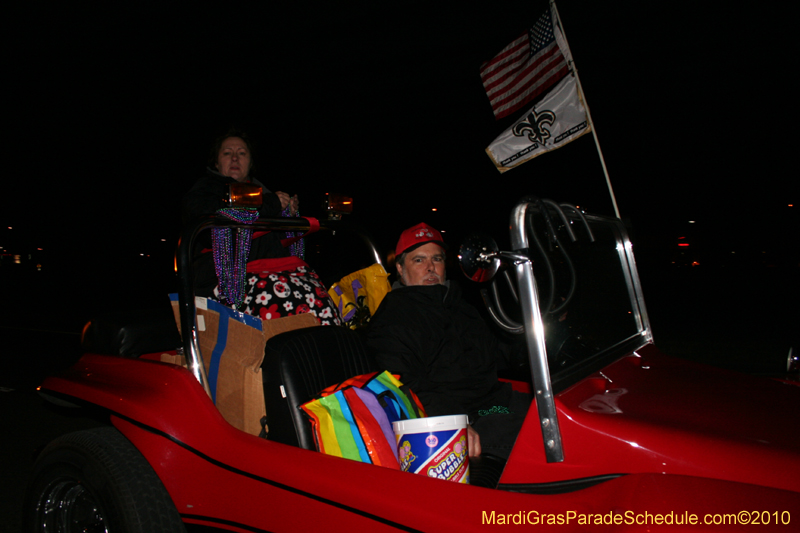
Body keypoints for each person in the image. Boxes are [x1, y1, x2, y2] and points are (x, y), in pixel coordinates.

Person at [364, 222, 531, 460]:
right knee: (549, 437)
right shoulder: (393, 318)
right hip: (463, 418)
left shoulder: (459, 305)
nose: (431, 267)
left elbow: (496, 354)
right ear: (400, 268)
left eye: (437, 259)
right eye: (419, 260)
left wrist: (530, 343)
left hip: (495, 404)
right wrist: (454, 421)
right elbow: (403, 383)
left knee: (559, 414)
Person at [182, 130, 299, 298]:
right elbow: (214, 225)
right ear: (216, 162)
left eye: (242, 153)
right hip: (222, 283)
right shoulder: (204, 189)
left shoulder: (264, 192)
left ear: (251, 162)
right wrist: (270, 204)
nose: (235, 158)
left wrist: (289, 216)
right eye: (227, 153)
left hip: (271, 279)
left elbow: (281, 247)